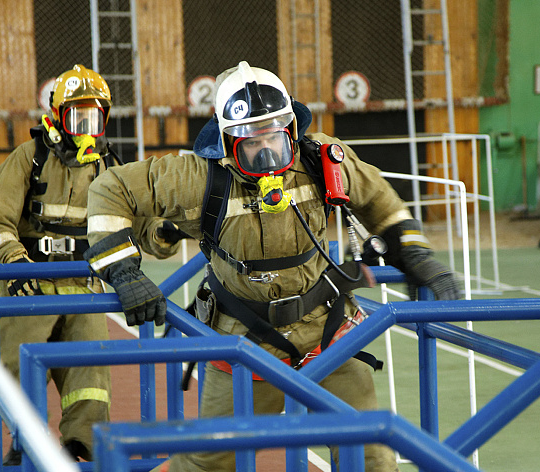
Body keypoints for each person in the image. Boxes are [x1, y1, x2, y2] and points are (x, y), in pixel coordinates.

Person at [83, 61, 461, 471]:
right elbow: (109, 187)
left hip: (328, 336)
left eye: (275, 139)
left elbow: (380, 200)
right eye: (251, 143)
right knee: (206, 463)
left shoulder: (321, 160)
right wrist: (122, 271)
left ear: (291, 131)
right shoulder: (194, 177)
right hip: (244, 346)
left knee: (371, 454)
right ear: (227, 143)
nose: (266, 153)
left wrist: (416, 255)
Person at [0, 64, 177, 464]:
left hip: (83, 286)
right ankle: (27, 443)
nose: (87, 127)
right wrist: (14, 263)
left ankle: (80, 449)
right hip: (28, 283)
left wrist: (163, 233)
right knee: (17, 369)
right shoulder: (28, 159)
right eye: (77, 117)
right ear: (57, 118)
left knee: (91, 375)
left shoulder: (108, 169)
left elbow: (135, 223)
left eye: (95, 117)